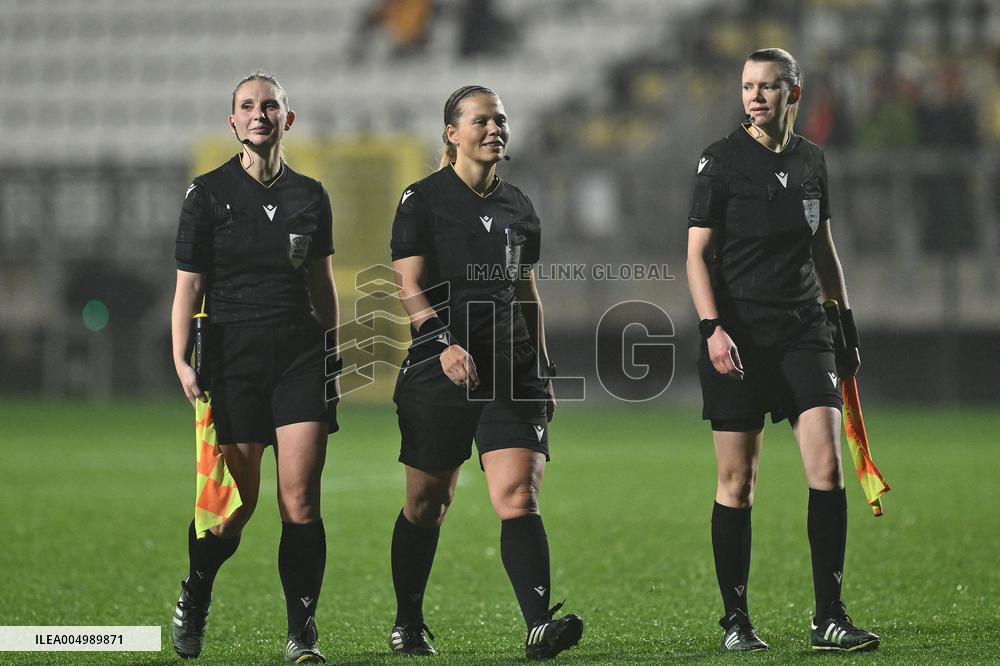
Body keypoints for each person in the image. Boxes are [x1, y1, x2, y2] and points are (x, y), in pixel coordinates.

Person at [686, 48, 881, 653]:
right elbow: (695, 255)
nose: (756, 96)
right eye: (748, 86)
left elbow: (823, 248)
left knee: (826, 467)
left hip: (803, 330)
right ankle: (736, 621)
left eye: (769, 87)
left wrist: (842, 319)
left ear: (794, 94)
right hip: (738, 334)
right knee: (737, 480)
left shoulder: (812, 162)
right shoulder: (719, 163)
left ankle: (829, 616)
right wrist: (712, 328)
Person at [386, 84, 583, 660]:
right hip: (438, 367)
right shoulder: (420, 199)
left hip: (512, 368)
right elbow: (407, 284)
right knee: (427, 504)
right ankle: (408, 621)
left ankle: (538, 624)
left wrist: (543, 369)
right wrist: (443, 343)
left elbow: (526, 291)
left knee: (519, 496)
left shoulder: (519, 205)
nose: (495, 129)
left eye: (501, 120)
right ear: (451, 133)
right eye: (482, 120)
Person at [170, 71, 340, 664]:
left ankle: (302, 634)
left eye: (270, 106)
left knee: (301, 503)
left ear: (287, 119)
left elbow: (320, 282)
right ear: (233, 122)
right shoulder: (207, 194)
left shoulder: (310, 195)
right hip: (233, 357)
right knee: (234, 510)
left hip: (299, 356)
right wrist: (181, 360)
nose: (259, 114)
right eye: (247, 106)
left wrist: (332, 348)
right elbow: (188, 287)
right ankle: (196, 592)